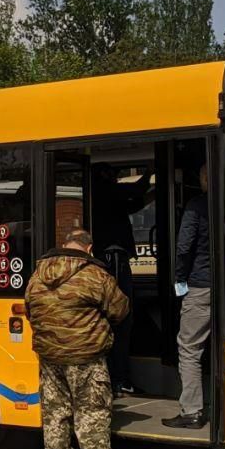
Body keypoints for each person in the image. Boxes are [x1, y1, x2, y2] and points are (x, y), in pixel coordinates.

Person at [24, 228, 132, 449]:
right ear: (89, 248)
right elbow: (120, 310)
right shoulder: (95, 275)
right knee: (91, 412)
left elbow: (29, 310)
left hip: (50, 356)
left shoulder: (38, 275)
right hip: (86, 356)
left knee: (55, 413)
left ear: (65, 244)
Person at [91, 164, 153, 393]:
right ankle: (119, 378)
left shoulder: (103, 196)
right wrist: (150, 173)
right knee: (121, 316)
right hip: (113, 258)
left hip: (112, 257)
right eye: (114, 173)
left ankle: (117, 377)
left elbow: (132, 203)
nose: (117, 178)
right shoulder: (103, 190)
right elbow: (134, 192)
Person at [164, 164, 211, 429]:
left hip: (200, 284)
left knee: (189, 349)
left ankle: (192, 411)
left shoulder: (195, 206)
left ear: (204, 178)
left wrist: (179, 279)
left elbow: (184, 247)